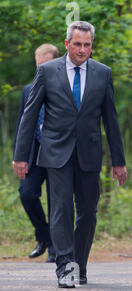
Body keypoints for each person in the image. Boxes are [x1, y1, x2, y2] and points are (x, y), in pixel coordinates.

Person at [13, 21, 127, 288]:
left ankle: (80, 264)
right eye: (77, 44)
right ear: (67, 44)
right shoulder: (48, 72)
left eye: (87, 45)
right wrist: (21, 155)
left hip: (88, 153)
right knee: (61, 209)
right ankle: (64, 266)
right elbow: (29, 116)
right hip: (55, 151)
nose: (82, 50)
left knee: (88, 211)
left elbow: (111, 120)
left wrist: (119, 162)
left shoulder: (103, 73)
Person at [13, 44, 59, 263]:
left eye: (45, 65)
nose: (41, 70)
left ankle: (56, 249)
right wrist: (18, 155)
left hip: (56, 150)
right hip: (34, 152)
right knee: (27, 193)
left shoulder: (63, 88)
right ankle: (44, 236)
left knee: (55, 199)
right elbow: (23, 125)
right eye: (38, 65)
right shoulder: (28, 90)